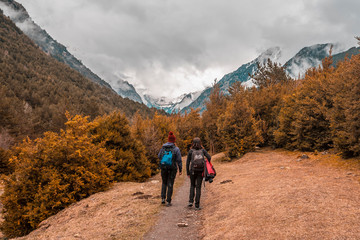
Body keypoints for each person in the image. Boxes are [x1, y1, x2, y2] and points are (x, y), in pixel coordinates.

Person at [158, 131, 182, 206]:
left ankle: (162, 198)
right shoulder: (176, 149)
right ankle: (168, 201)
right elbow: (179, 160)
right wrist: (180, 169)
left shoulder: (163, 147)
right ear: (174, 140)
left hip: (164, 167)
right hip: (172, 168)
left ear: (168, 140)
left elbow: (159, 156)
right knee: (170, 183)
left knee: (164, 182)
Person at [186, 137, 211, 210]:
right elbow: (209, 157)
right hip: (200, 170)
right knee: (198, 187)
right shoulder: (203, 150)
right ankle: (197, 205)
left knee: (192, 185)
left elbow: (187, 163)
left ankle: (190, 201)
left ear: (192, 143)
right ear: (200, 143)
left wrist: (188, 172)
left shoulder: (190, 151)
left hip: (192, 171)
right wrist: (206, 163)